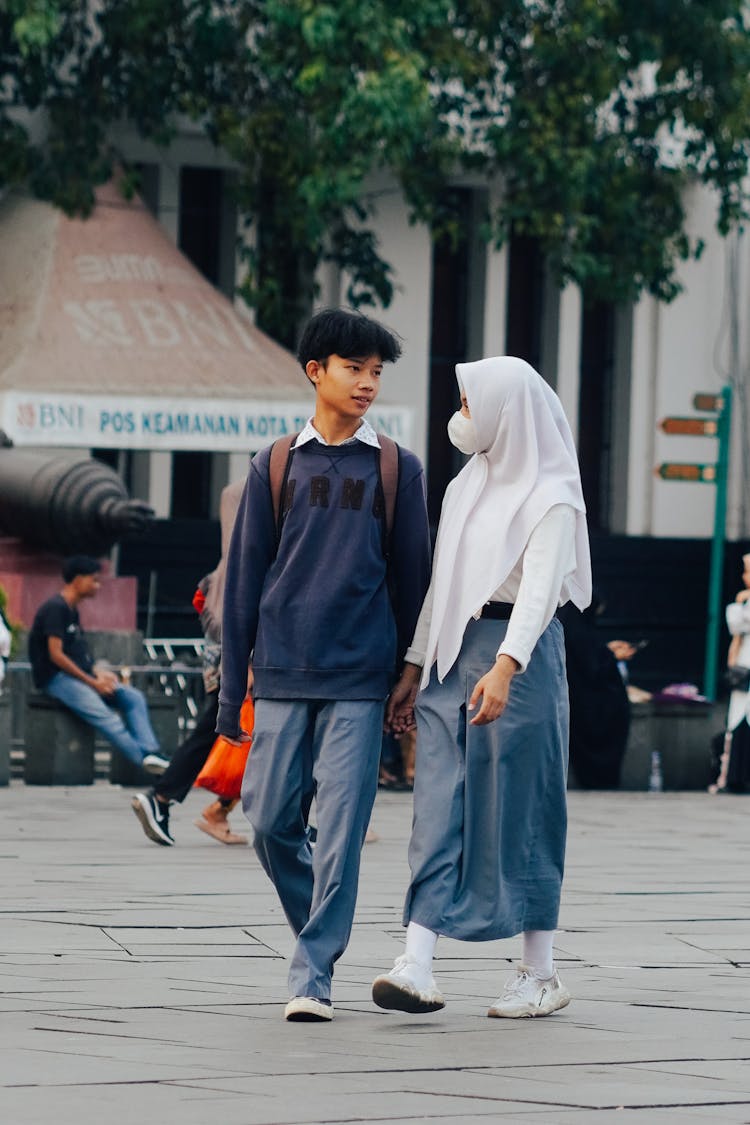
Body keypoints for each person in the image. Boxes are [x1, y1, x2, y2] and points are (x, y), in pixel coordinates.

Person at [218, 307, 431, 1022]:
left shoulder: (397, 468)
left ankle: (312, 973)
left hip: (361, 678)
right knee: (269, 818)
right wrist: (229, 686)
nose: (367, 383)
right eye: (353, 368)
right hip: (281, 668)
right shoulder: (274, 463)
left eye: (376, 372)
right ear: (316, 370)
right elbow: (244, 578)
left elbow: (415, 579)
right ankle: (322, 926)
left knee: (340, 828)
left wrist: (410, 669)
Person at [371, 355, 591, 1020]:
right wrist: (413, 664)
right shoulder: (467, 485)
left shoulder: (552, 491)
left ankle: (540, 971)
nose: (461, 416)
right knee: (438, 802)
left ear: (507, 410)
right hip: (451, 657)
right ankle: (417, 960)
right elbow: (445, 582)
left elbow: (543, 590)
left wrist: (506, 664)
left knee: (523, 812)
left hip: (518, 661)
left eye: (471, 404)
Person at [131, 479, 250, 846]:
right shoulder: (245, 561)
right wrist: (244, 666)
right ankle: (165, 798)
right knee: (220, 733)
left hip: (226, 664)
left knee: (212, 733)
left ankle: (166, 798)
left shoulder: (228, 561)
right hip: (244, 666)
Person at [28, 556, 169, 774]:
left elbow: (78, 654)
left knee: (132, 697)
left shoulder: (72, 610)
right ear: (77, 580)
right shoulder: (55, 608)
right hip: (56, 679)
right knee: (106, 717)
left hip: (80, 677)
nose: (97, 585)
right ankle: (145, 761)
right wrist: (93, 683)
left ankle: (152, 752)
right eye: (93, 580)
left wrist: (98, 673)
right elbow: (56, 655)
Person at [558, 596, 630, 789]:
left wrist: (606, 652)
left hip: (577, 702)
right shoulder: (578, 631)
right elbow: (592, 666)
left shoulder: (568, 627)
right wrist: (610, 656)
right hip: (588, 705)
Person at [710, 553, 750, 793]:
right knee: (736, 719)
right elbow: (735, 624)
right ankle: (732, 776)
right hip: (744, 667)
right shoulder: (742, 601)